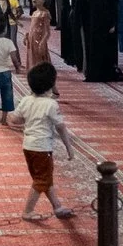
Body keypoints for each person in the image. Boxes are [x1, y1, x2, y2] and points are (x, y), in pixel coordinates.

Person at [14, 62, 76, 221]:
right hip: (42, 148)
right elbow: (61, 128)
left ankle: (57, 207)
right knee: (41, 180)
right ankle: (28, 211)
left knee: (45, 178)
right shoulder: (51, 104)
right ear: (51, 84)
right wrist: (69, 148)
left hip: (28, 146)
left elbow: (15, 119)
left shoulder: (26, 100)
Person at [78, 0, 122, 83]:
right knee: (102, 50)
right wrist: (111, 23)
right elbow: (105, 7)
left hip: (98, 24)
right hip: (103, 25)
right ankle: (102, 74)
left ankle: (102, 72)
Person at [20, 0, 55, 75]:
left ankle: (42, 74)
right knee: (32, 56)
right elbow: (32, 27)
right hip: (31, 39)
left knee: (39, 56)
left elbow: (47, 31)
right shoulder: (34, 13)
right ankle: (33, 72)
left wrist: (43, 42)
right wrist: (27, 35)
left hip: (39, 39)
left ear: (44, 0)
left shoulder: (45, 13)